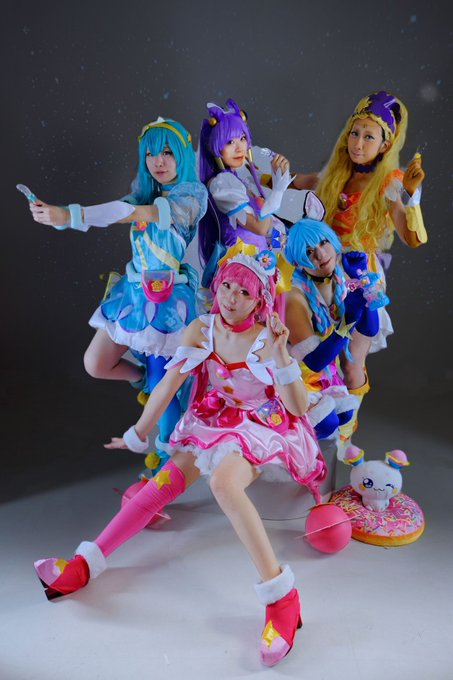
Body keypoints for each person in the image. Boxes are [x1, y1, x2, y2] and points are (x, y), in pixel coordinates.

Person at [34, 249, 327, 667]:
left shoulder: (267, 340)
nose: (231, 297)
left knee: (224, 484)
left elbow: (297, 408)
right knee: (162, 484)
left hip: (260, 425)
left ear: (260, 299)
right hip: (214, 419)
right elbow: (169, 384)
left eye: (244, 292)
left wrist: (282, 355)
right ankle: (85, 562)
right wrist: (139, 432)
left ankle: (282, 598)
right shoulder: (201, 328)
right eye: (227, 285)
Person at [27, 117, 208, 471]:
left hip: (167, 302)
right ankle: (142, 380)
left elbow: (132, 213)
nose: (158, 161)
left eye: (168, 153)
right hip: (134, 295)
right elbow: (115, 212)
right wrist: (60, 219)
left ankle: (165, 467)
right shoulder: (144, 191)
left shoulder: (190, 195)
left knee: (162, 386)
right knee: (96, 363)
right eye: (151, 154)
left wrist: (69, 214)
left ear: (183, 155)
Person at [292, 90, 427, 358]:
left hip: (357, 273)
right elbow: (294, 180)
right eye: (355, 133)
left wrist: (412, 196)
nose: (358, 144)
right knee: (318, 346)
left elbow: (412, 238)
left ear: (385, 145)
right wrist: (255, 171)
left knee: (352, 362)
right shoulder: (335, 176)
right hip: (321, 265)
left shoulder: (388, 184)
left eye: (369, 137)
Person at [283, 192, 380, 446]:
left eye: (323, 243)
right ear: (297, 262)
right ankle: (286, 449)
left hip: (325, 377)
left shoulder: (341, 278)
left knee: (345, 414)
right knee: (326, 424)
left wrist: (361, 279)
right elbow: (314, 361)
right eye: (308, 252)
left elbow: (369, 329)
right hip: (296, 378)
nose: (320, 254)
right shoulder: (294, 298)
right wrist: (347, 319)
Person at [198, 98, 292, 285]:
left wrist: (280, 175)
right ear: (215, 148)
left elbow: (267, 229)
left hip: (256, 263)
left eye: (242, 138)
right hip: (240, 270)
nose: (239, 147)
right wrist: (278, 190)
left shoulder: (238, 180)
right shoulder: (222, 184)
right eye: (230, 142)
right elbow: (259, 227)